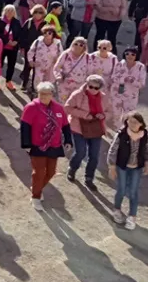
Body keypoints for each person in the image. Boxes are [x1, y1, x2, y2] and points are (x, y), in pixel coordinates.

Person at [20, 82, 73, 210]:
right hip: (37, 145)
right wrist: (26, 144)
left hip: (54, 145)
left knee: (50, 172)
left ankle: (37, 188)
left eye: (46, 94)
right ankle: (36, 197)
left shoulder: (59, 108)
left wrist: (68, 141)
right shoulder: (31, 107)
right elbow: (25, 126)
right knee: (38, 172)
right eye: (40, 94)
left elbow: (65, 125)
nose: (43, 96)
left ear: (52, 95)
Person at [65, 74, 109, 190]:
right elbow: (67, 108)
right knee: (81, 152)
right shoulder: (77, 94)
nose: (93, 90)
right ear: (86, 84)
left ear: (100, 88)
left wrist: (103, 115)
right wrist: (84, 115)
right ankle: (72, 168)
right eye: (90, 86)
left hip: (95, 128)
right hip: (78, 127)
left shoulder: (104, 97)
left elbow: (110, 112)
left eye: (96, 88)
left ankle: (89, 178)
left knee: (94, 155)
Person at [108, 112, 147, 230]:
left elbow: (147, 150)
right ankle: (117, 210)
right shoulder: (122, 134)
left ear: (141, 124)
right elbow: (112, 150)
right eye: (129, 121)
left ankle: (132, 216)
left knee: (133, 192)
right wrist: (112, 166)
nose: (132, 124)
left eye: (135, 122)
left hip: (137, 168)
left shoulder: (145, 135)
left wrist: (147, 163)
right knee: (121, 189)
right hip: (122, 167)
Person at [54, 36, 91, 102]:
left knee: (74, 103)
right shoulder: (66, 54)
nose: (78, 46)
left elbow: (91, 72)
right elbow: (57, 67)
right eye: (76, 44)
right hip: (64, 84)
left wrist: (88, 84)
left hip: (79, 86)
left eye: (81, 45)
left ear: (84, 47)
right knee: (63, 103)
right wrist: (58, 76)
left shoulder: (88, 57)